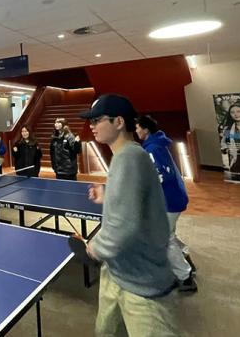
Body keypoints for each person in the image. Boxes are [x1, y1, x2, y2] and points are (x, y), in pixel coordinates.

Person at [75, 95, 179, 337]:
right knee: (105, 331)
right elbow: (133, 199)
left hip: (141, 282)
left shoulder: (129, 158)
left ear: (119, 121)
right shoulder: (127, 156)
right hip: (118, 270)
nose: (91, 125)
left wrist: (94, 248)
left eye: (97, 120)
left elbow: (123, 226)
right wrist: (108, 193)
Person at [136, 115, 197, 293]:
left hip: (169, 200)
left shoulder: (153, 149)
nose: (137, 130)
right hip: (173, 197)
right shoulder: (156, 145)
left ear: (146, 130)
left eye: (139, 127)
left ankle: (185, 277)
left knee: (164, 238)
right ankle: (185, 256)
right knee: (168, 233)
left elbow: (162, 175)